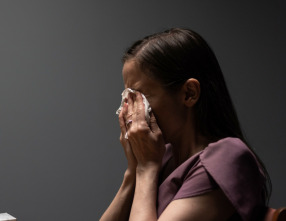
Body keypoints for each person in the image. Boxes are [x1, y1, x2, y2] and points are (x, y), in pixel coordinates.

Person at [100, 28, 271, 221]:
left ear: (189, 93)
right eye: (127, 98)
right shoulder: (163, 157)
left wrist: (146, 169)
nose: (130, 111)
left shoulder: (227, 159)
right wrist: (133, 171)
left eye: (140, 97)